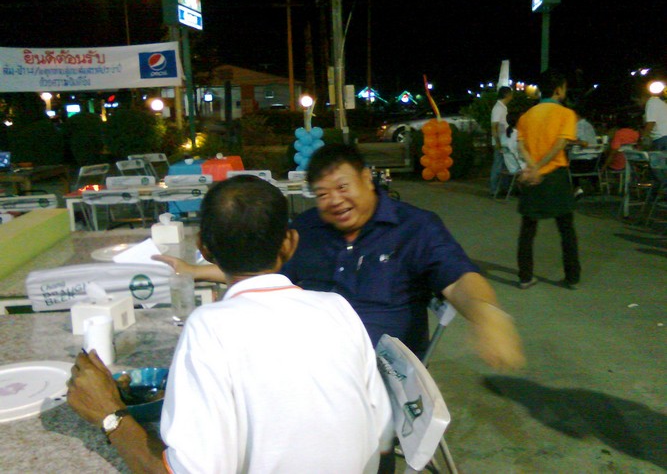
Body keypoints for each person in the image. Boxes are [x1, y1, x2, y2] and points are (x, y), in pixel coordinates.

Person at [67, 176, 394, 474]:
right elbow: (382, 440)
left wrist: (109, 413)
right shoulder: (337, 308)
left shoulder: (209, 327)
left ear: (203, 248)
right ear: (290, 243)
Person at [157, 145, 525, 371]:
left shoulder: (415, 228)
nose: (334, 200)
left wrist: (486, 314)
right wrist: (193, 270)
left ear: (367, 179)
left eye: (342, 187)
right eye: (322, 193)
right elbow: (259, 269)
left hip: (382, 370)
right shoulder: (306, 229)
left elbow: (458, 280)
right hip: (305, 358)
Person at [516, 69, 581, 290]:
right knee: (566, 229)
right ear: (558, 90)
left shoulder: (526, 116)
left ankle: (525, 277)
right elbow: (559, 145)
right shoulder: (566, 114)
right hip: (555, 176)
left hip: (532, 177)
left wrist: (533, 167)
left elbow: (521, 146)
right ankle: (571, 276)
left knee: (528, 229)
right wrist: (541, 167)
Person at [490, 86, 514, 196]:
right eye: (510, 94)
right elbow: (494, 127)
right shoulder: (498, 108)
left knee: (504, 166)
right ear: (506, 94)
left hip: (503, 141)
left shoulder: (502, 107)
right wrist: (497, 143)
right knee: (498, 166)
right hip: (500, 142)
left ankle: (504, 189)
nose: (512, 96)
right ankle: (494, 190)